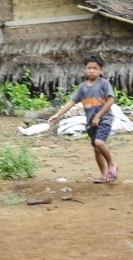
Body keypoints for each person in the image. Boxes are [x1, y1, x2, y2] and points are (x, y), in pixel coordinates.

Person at [46, 55, 118, 183]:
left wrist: (98, 115)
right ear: (85, 69)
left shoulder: (104, 84)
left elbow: (111, 100)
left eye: (95, 68)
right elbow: (72, 102)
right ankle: (104, 175)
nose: (92, 71)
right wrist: (58, 114)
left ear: (101, 70)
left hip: (104, 119)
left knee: (99, 143)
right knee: (96, 149)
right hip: (91, 122)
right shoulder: (82, 87)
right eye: (89, 68)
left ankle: (112, 165)